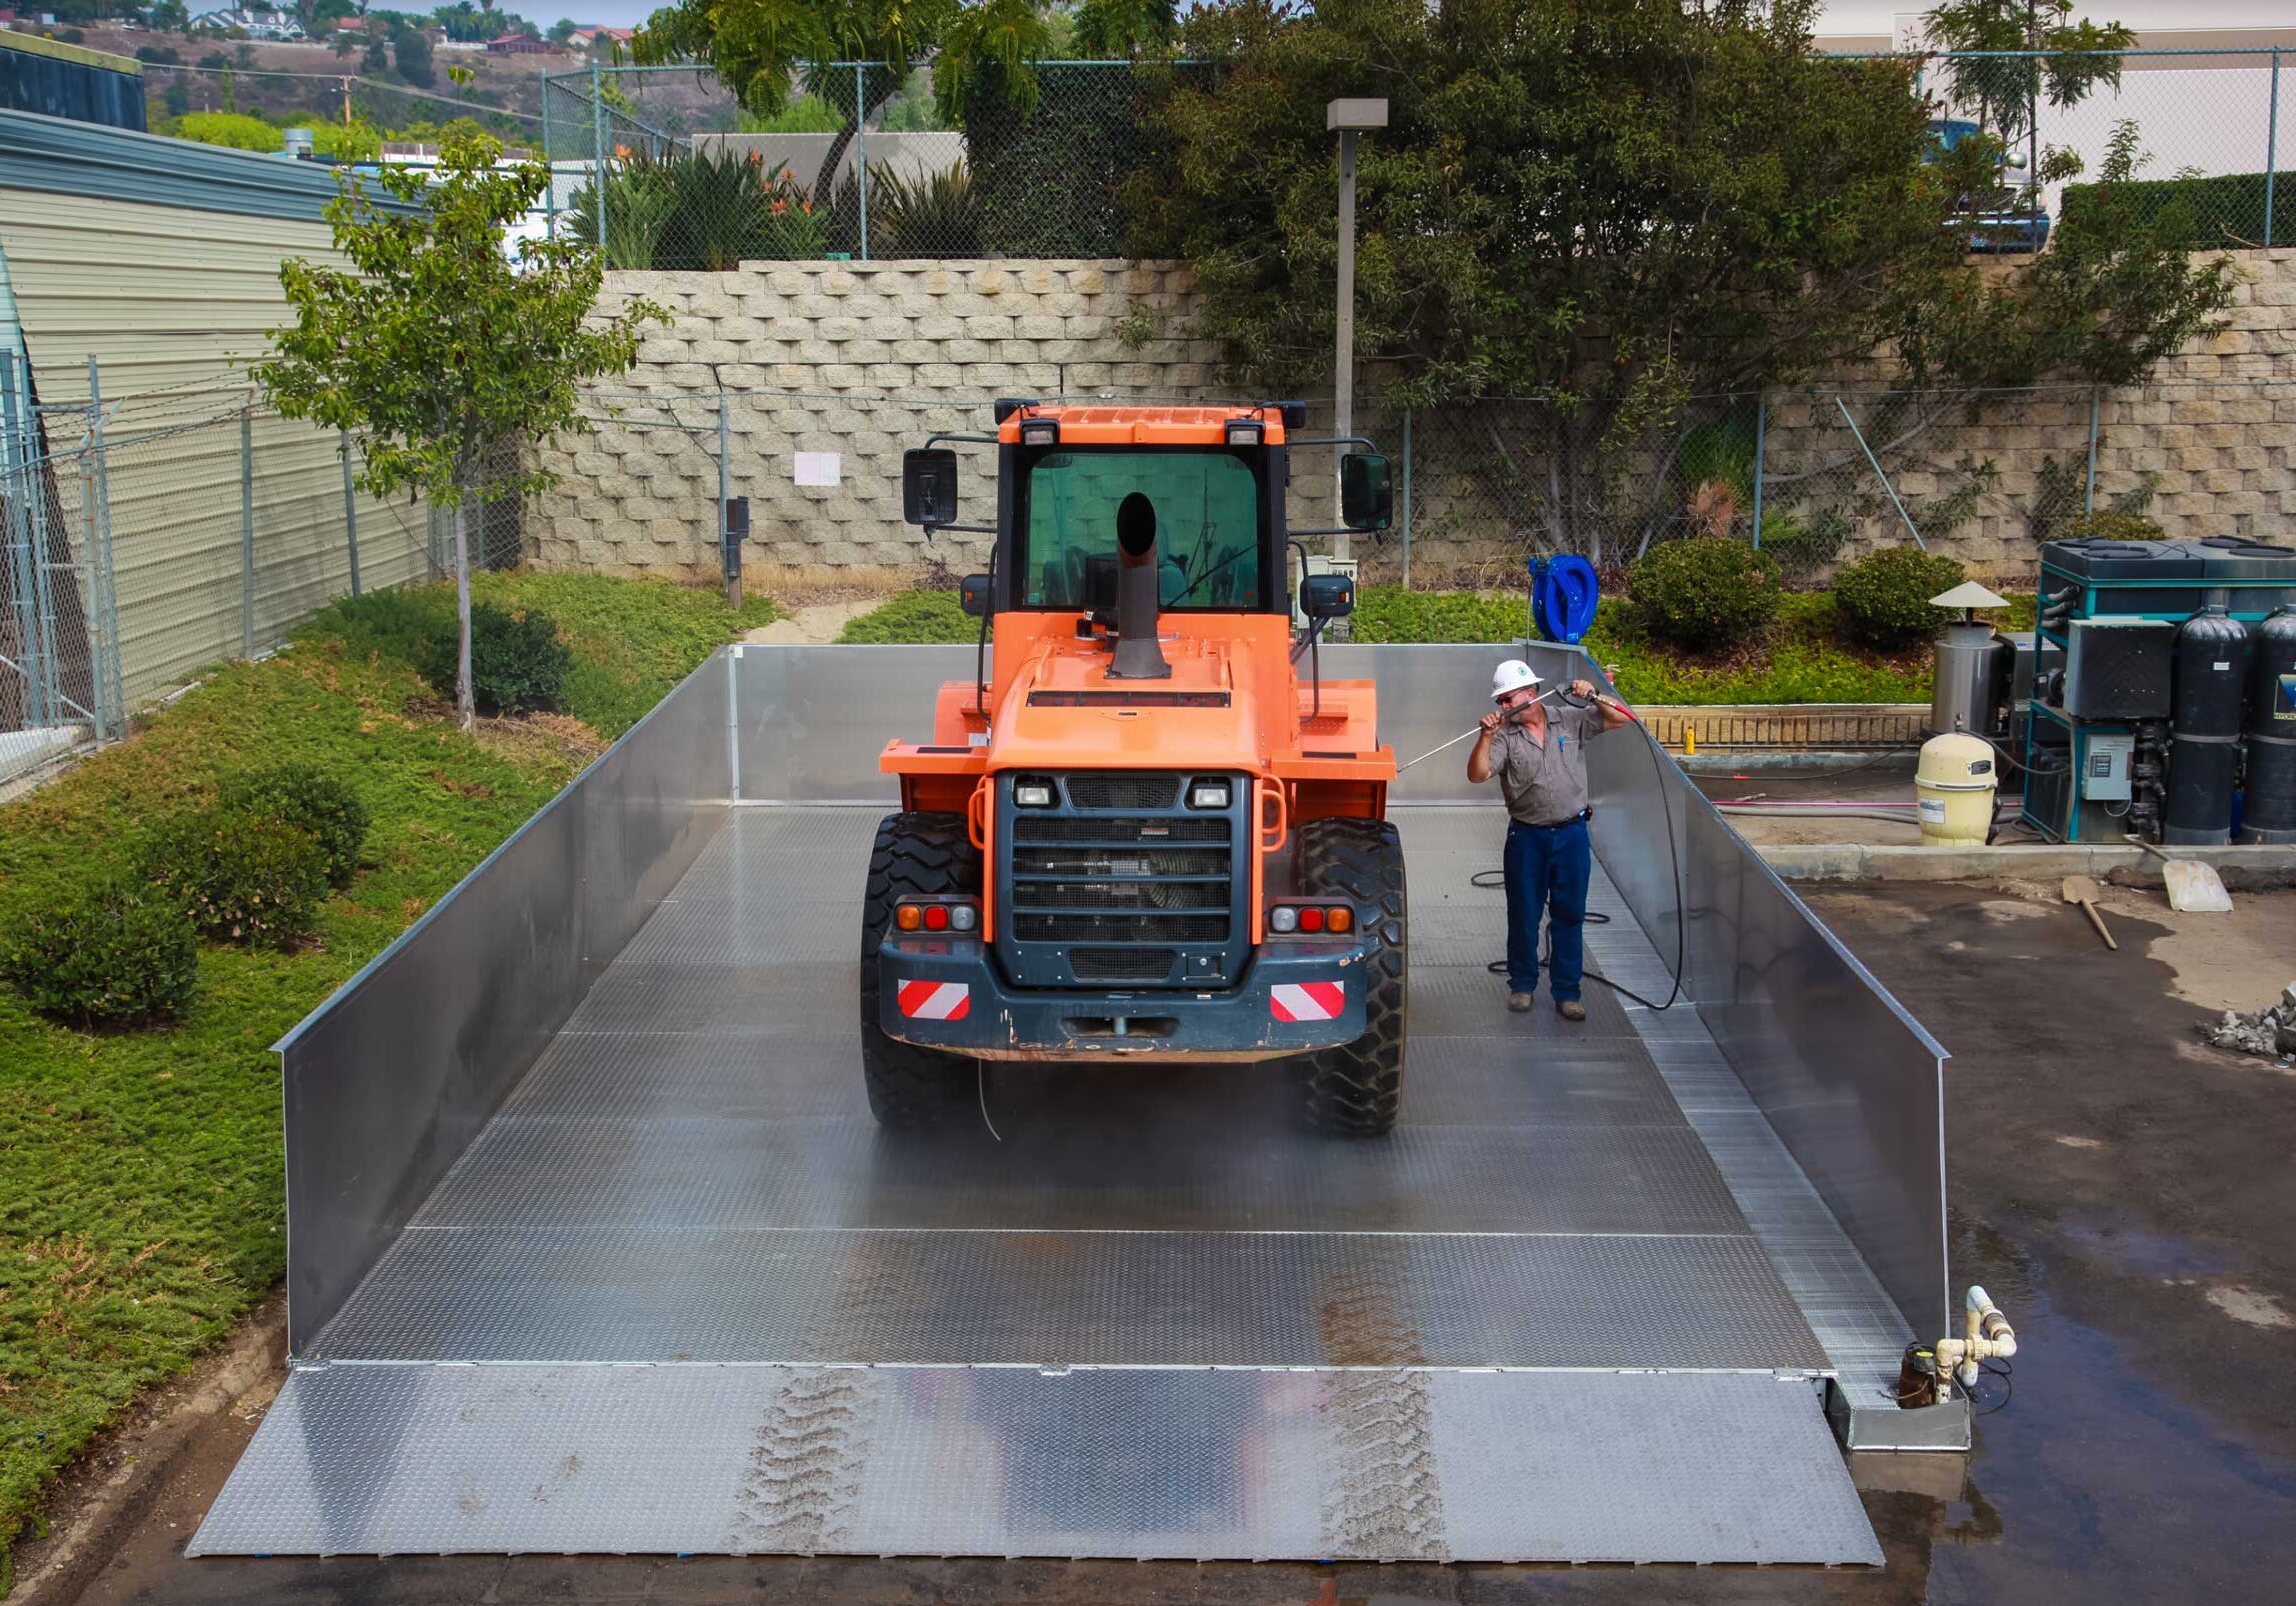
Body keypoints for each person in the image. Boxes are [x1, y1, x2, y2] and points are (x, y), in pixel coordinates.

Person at [1466, 659, 1635, 1020]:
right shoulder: (1504, 736)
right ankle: (1522, 985)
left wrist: (1593, 695)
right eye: (1501, 701)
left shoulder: (1569, 719)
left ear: (1531, 693)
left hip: (1571, 835)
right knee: (1523, 914)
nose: (1504, 707)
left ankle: (1567, 992)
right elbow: (1477, 774)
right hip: (1527, 837)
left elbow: (1622, 718)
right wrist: (1485, 735)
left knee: (1568, 915)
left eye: (1509, 699)